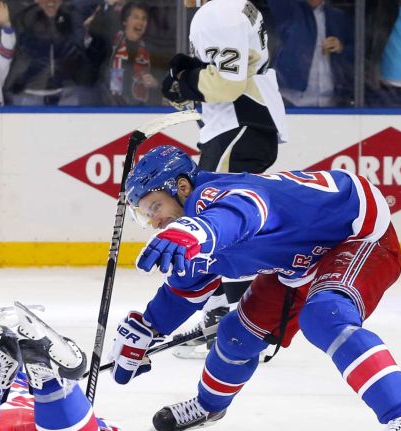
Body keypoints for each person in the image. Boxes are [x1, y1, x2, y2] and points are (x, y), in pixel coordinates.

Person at [109, 145, 401, 431]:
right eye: (145, 215)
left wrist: (200, 229)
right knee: (236, 335)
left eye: (155, 208)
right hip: (297, 259)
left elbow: (243, 211)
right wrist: (148, 327)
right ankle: (209, 406)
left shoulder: (220, 197)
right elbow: (183, 292)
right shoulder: (195, 236)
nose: (153, 222)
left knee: (324, 317)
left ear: (182, 187)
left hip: (354, 233)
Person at [159, 0, 289, 360]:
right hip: (243, 126)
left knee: (226, 230)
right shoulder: (237, 6)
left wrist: (184, 83)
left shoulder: (218, 12)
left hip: (239, 126)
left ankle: (245, 334)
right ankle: (222, 318)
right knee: (220, 229)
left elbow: (227, 85)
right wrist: (194, 73)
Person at [269, 0, 354, 107]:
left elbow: (357, 52)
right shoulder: (288, 10)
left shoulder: (338, 17)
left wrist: (341, 48)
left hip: (330, 101)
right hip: (292, 99)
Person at [5, 0, 87, 105]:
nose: (51, 1)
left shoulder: (73, 17)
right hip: (28, 93)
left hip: (67, 92)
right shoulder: (25, 18)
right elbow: (20, 55)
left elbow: (78, 52)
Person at [106, 1, 158, 105]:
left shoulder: (150, 50)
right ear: (125, 21)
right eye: (136, 17)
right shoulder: (112, 45)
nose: (141, 22)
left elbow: (161, 82)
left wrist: (154, 83)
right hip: (111, 108)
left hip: (141, 109)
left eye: (144, 19)